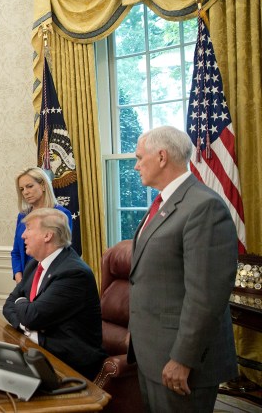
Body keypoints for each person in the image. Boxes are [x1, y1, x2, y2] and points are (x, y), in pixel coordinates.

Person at [128, 126, 237, 412]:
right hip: (153, 353)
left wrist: (183, 359)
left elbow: (206, 296)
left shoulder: (203, 207)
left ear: (162, 157)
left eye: (140, 157)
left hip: (181, 360)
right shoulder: (164, 202)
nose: (136, 165)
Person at [2, 208, 106, 381]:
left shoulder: (73, 272)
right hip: (39, 351)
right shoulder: (35, 264)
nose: (23, 236)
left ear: (47, 236)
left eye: (29, 228)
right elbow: (8, 306)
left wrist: (21, 303)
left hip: (71, 365)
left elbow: (31, 316)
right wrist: (28, 329)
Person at [11, 167, 72, 283]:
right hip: (24, 280)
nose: (25, 192)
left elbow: (62, 253)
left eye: (29, 186)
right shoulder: (22, 216)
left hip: (50, 280)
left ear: (43, 185)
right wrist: (19, 279)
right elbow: (16, 252)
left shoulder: (61, 214)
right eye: (22, 189)